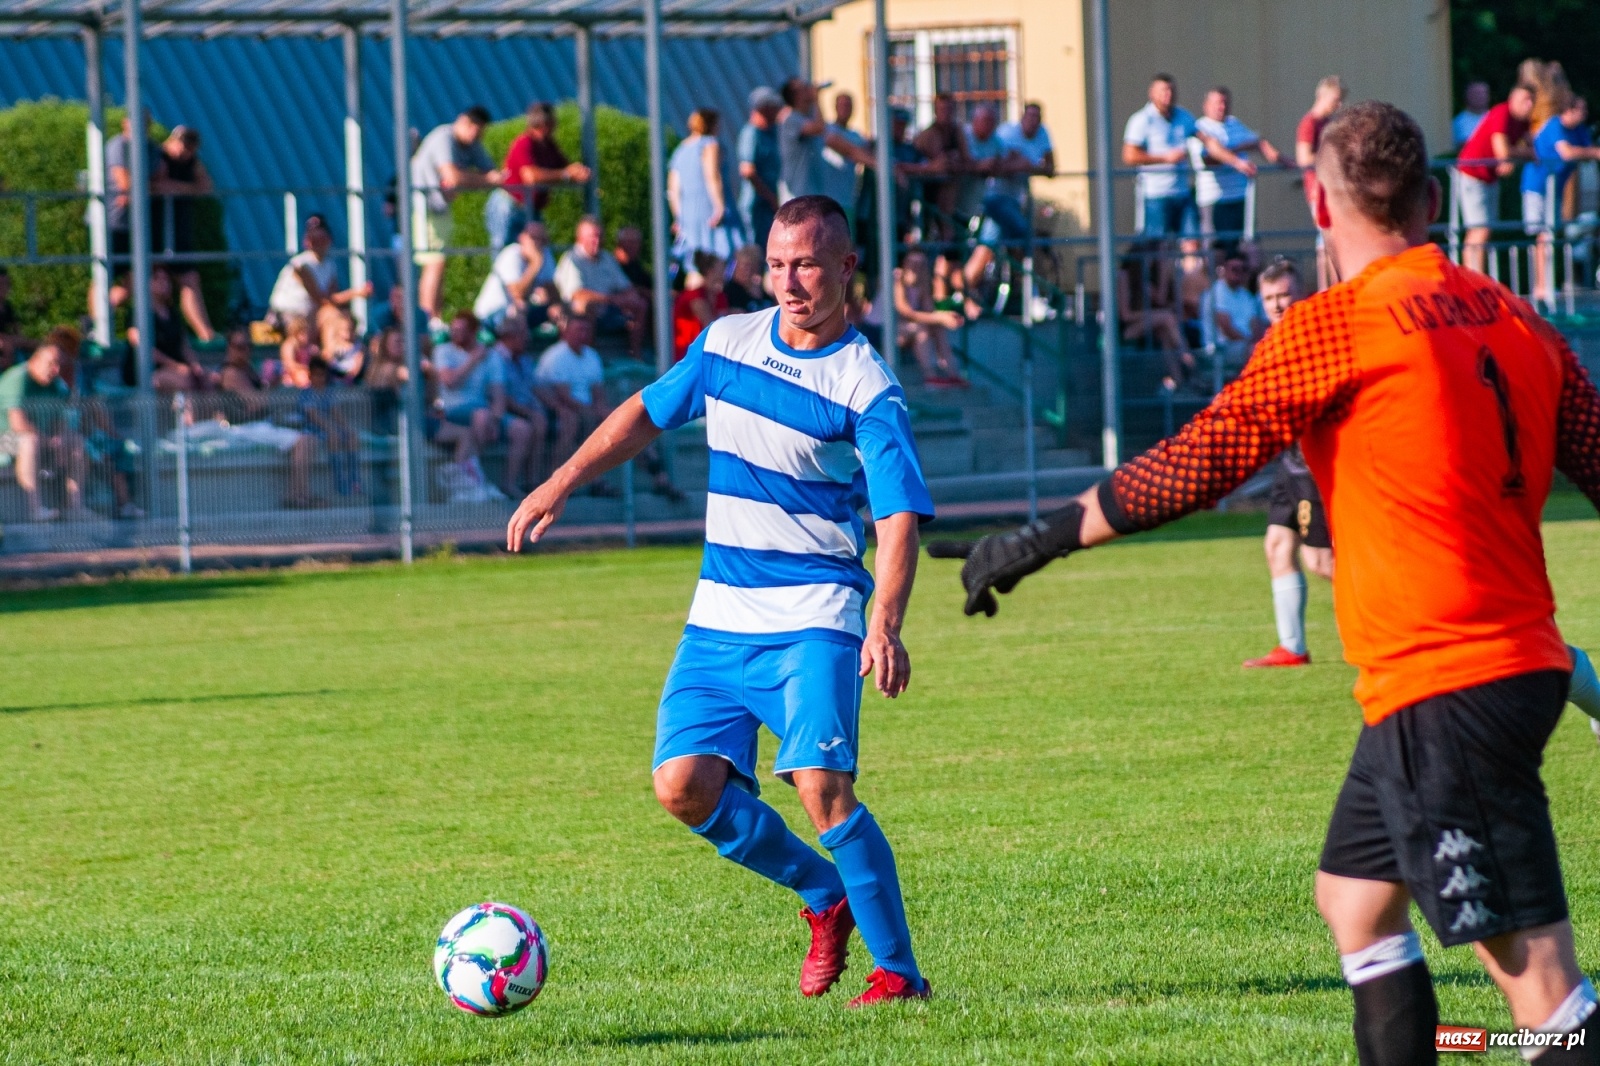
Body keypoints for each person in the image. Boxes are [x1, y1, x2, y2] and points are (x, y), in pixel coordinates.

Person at [952, 101, 1600, 1064]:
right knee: (1354, 903)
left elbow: (1197, 462)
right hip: (1497, 668)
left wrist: (1036, 540)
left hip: (1449, 683)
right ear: (1432, 198)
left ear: (1317, 200)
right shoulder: (1516, 316)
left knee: (1541, 986)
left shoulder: (1339, 324)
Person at [507, 195, 935, 1007]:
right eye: (776, 264)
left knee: (818, 783)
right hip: (718, 615)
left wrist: (885, 622)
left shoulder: (865, 385)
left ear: (846, 268)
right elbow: (644, 412)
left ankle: (899, 977)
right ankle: (824, 895)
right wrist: (560, 480)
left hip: (814, 613)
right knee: (682, 787)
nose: (790, 281)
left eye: (807, 264)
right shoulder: (727, 341)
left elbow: (898, 517)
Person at [1236, 258, 1333, 668]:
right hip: (1288, 462)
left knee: (1321, 561)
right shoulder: (1270, 341)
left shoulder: (1313, 338)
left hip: (1311, 463)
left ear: (1302, 294)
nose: (1277, 305)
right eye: (1269, 298)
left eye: (1284, 296)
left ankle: (1402, 621)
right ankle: (1292, 647)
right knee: (1277, 545)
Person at [410, 107, 503, 328]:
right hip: (424, 206)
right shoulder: (444, 137)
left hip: (441, 208)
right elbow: (453, 176)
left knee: (440, 263)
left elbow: (492, 171)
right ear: (461, 121)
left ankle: (436, 318)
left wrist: (490, 177)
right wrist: (487, 180)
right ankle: (428, 320)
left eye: (478, 131)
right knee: (434, 262)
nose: (474, 135)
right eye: (471, 128)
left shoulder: (472, 144)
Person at [961, 102, 1055, 291]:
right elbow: (1001, 166)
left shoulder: (1041, 133)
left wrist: (1026, 165)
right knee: (1021, 238)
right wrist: (1020, 165)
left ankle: (1030, 294)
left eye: (1037, 117)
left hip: (1012, 203)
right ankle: (964, 290)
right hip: (993, 201)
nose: (1033, 121)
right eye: (1030, 116)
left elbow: (1049, 168)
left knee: (993, 246)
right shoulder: (1004, 134)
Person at [1523, 96, 1600, 309]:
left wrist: (1589, 152)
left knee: (1551, 234)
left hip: (1554, 189)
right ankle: (1541, 286)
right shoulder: (1555, 125)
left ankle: (1549, 283)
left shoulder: (1578, 130)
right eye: (1581, 110)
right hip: (1537, 187)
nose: (1584, 114)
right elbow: (1567, 153)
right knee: (1542, 234)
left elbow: (1586, 152)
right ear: (1570, 110)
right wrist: (1593, 152)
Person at [1457, 83, 1536, 275]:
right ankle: (1473, 280)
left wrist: (1517, 155)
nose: (1528, 105)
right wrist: (1521, 154)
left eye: (1531, 100)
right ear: (1512, 99)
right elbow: (1504, 152)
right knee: (1479, 229)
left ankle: (1475, 278)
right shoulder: (1502, 112)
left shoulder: (1522, 121)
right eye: (1524, 100)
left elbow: (1534, 150)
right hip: (1473, 173)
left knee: (1486, 229)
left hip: (1488, 178)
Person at [1193, 87, 1283, 254]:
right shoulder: (1200, 128)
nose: (1222, 107)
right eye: (1217, 103)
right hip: (1214, 200)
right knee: (1217, 251)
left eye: (1225, 102)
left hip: (1241, 197)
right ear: (1206, 105)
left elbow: (1258, 142)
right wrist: (1237, 156)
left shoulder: (1233, 123)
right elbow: (1209, 160)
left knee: (1244, 248)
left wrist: (1285, 161)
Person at [491, 102, 591, 252]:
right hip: (510, 206)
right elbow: (530, 176)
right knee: (505, 253)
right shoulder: (524, 143)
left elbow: (564, 167)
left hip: (531, 208)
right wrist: (566, 174)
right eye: (550, 123)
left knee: (537, 251)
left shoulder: (549, 145)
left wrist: (576, 172)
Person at [428, 310, 506, 502]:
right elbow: (450, 381)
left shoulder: (491, 355)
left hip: (484, 413)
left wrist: (495, 421)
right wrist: (473, 360)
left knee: (521, 430)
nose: (456, 334)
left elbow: (498, 394)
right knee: (481, 416)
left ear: (473, 332)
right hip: (450, 410)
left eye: (461, 331)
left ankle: (508, 485)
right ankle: (477, 479)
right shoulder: (443, 351)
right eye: (453, 330)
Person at [0, 342, 82, 522]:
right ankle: (35, 509)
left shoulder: (54, 383)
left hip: (41, 439)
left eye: (59, 364)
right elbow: (18, 423)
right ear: (35, 360)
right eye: (51, 363)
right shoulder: (18, 378)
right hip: (6, 439)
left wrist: (59, 437)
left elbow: (60, 419)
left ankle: (74, 506)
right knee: (30, 441)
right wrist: (48, 440)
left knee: (75, 441)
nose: (55, 369)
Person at [152, 125, 217, 344]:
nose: (185, 152)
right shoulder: (157, 157)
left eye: (190, 148)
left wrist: (179, 188)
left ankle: (205, 333)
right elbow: (157, 186)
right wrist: (188, 188)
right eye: (183, 145)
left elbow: (206, 187)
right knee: (142, 282)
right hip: (155, 231)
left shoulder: (191, 162)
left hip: (179, 232)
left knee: (190, 280)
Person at [552, 216, 649, 358]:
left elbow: (626, 286)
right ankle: (588, 357)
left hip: (608, 310)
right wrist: (610, 299)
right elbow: (577, 294)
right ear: (579, 238)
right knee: (585, 305)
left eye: (599, 236)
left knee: (640, 304)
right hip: (576, 314)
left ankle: (636, 355)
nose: (596, 241)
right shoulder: (572, 259)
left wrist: (628, 298)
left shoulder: (607, 258)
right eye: (592, 237)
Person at [100, 114, 164, 322]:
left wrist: (139, 189)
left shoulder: (151, 148)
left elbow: (161, 180)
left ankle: (101, 316)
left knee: (138, 275)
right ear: (125, 123)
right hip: (112, 221)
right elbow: (125, 184)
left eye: (145, 123)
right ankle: (97, 322)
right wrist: (139, 188)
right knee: (103, 274)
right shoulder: (117, 145)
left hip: (136, 225)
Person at [1124, 74, 1198, 243]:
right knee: (1158, 249)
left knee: (1193, 244)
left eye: (1171, 90)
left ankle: (1192, 270)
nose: (1168, 95)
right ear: (1152, 93)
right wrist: (1165, 158)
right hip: (1155, 195)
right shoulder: (1142, 120)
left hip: (1182, 193)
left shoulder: (1184, 117)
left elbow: (1205, 139)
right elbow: (1129, 155)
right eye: (1163, 91)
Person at [533, 311, 609, 467]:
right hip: (555, 409)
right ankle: (556, 476)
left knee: (622, 418)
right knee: (574, 421)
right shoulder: (556, 356)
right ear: (566, 332)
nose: (583, 334)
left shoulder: (592, 356)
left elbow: (598, 394)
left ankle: (658, 476)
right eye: (579, 330)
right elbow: (564, 397)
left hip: (583, 407)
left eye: (586, 330)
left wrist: (605, 412)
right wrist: (591, 412)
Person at [1117, 240, 1194, 392]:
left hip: (1147, 328)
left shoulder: (1145, 279)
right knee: (1166, 318)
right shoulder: (1124, 276)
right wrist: (1155, 314)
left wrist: (1163, 270)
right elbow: (1125, 315)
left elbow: (1161, 299)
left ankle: (1180, 381)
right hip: (1125, 331)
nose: (1153, 262)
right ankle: (1188, 357)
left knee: (1164, 331)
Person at [487, 315, 548, 497]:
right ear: (508, 337)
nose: (526, 340)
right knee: (528, 426)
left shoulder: (524, 359)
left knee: (545, 420)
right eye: (522, 336)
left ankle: (533, 481)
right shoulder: (495, 358)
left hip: (524, 409)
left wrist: (557, 406)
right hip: (500, 411)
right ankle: (511, 482)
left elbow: (535, 387)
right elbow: (500, 396)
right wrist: (529, 412)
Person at [268, 215, 370, 324]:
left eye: (321, 239)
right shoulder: (300, 264)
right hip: (286, 315)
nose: (317, 244)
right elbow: (322, 300)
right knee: (330, 316)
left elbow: (331, 297)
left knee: (337, 316)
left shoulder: (330, 265)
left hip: (309, 315)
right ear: (306, 242)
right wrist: (357, 293)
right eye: (313, 239)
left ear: (329, 239)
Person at [668, 109, 739, 262]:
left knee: (695, 263)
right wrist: (719, 207)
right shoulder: (710, 144)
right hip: (709, 211)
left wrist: (679, 217)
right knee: (722, 260)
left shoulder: (680, 150)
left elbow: (673, 189)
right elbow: (712, 175)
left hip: (689, 214)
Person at [127, 267, 211, 392]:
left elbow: (184, 345)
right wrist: (175, 366)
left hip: (178, 369)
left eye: (166, 279)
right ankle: (187, 412)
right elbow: (143, 348)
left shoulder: (173, 313)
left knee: (207, 380)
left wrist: (195, 365)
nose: (163, 283)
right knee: (186, 381)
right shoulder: (138, 314)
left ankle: (209, 412)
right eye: (157, 279)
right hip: (148, 373)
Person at [1296, 76, 1345, 287]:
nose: (1339, 105)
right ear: (1322, 96)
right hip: (1317, 190)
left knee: (1334, 236)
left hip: (1328, 187)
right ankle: (1326, 288)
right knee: (1325, 236)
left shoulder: (1326, 123)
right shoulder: (1310, 123)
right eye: (1335, 99)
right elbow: (1303, 158)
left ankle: (1335, 284)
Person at [894, 249, 966, 386]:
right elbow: (905, 312)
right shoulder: (896, 279)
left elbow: (930, 312)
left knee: (936, 327)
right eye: (912, 264)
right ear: (905, 264)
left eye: (921, 265)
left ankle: (953, 374)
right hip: (880, 331)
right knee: (921, 329)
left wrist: (944, 317)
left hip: (904, 329)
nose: (916, 268)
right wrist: (940, 317)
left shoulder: (922, 283)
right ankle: (930, 375)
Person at [297, 357, 362, 497]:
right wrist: (331, 430)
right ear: (310, 375)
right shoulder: (306, 394)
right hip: (312, 431)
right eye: (316, 375)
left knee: (352, 438)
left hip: (329, 427)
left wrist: (347, 429)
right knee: (333, 438)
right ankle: (339, 481)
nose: (320, 378)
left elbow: (336, 413)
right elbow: (314, 416)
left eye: (322, 375)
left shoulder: (328, 392)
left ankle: (354, 479)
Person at [473, 221, 555, 330]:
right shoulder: (512, 254)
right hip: (490, 316)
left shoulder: (545, 254)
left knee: (556, 311)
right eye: (533, 238)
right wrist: (535, 264)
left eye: (542, 239)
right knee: (519, 310)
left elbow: (554, 294)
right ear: (522, 237)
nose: (538, 243)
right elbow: (517, 294)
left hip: (518, 315)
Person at [912, 93, 971, 241]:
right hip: (928, 192)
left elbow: (966, 159)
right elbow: (933, 162)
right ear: (935, 110)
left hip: (953, 195)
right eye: (942, 109)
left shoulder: (957, 132)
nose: (946, 112)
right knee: (928, 232)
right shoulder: (927, 134)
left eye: (949, 109)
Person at [737, 87, 784, 247]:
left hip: (768, 205)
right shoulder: (751, 133)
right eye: (774, 107)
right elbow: (748, 170)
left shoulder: (771, 133)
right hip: (756, 206)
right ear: (764, 108)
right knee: (755, 251)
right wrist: (771, 198)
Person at [1207, 251, 1267, 367]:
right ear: (1224, 269)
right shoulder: (1216, 292)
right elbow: (1226, 328)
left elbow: (1255, 324)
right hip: (1220, 348)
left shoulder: (1246, 296)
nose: (1239, 273)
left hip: (1245, 346)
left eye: (1243, 269)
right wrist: (1250, 344)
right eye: (1234, 269)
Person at [821, 93, 869, 238]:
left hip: (848, 201)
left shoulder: (856, 136)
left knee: (846, 243)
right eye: (842, 105)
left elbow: (867, 151)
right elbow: (850, 151)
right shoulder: (826, 130)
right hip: (826, 200)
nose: (845, 109)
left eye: (849, 105)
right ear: (835, 107)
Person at [673, 251, 729, 362]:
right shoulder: (694, 296)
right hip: (687, 353)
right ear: (710, 271)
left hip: (706, 352)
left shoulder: (720, 297)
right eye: (721, 269)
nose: (725, 273)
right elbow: (711, 325)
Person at [724, 244, 773, 314]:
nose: (748, 270)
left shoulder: (762, 289)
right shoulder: (731, 291)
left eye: (752, 266)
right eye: (744, 265)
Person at [0, 267, 29, 367]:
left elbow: (17, 329)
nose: (4, 288)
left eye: (6, 284)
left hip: (8, 339)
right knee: (8, 345)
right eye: (1, 284)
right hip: (4, 341)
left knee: (36, 344)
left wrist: (20, 339)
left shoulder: (8, 307)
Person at [1454, 80, 1491, 150]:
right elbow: (1464, 146)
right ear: (1467, 96)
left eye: (1483, 93)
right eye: (1477, 93)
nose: (1481, 96)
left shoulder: (1495, 118)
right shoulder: (1459, 122)